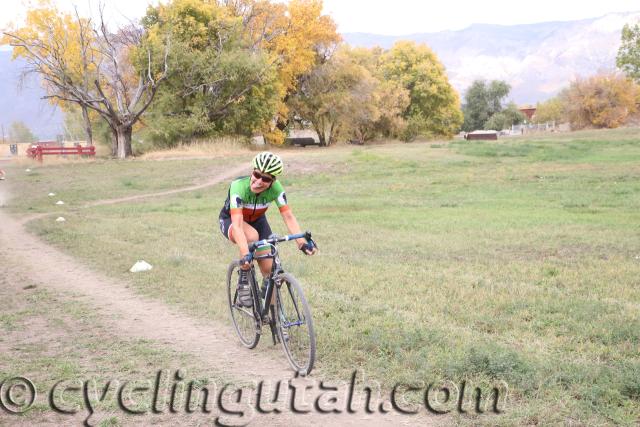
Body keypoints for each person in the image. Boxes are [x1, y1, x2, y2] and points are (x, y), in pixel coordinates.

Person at [219, 152, 317, 306]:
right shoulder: (238, 186)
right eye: (256, 175)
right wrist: (245, 254)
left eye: (265, 179)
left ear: (273, 181)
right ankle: (244, 278)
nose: (258, 181)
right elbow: (237, 225)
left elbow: (289, 217)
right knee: (251, 236)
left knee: (270, 272)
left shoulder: (276, 189)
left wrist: (301, 242)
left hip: (258, 221)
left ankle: (275, 322)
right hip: (233, 220)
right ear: (253, 171)